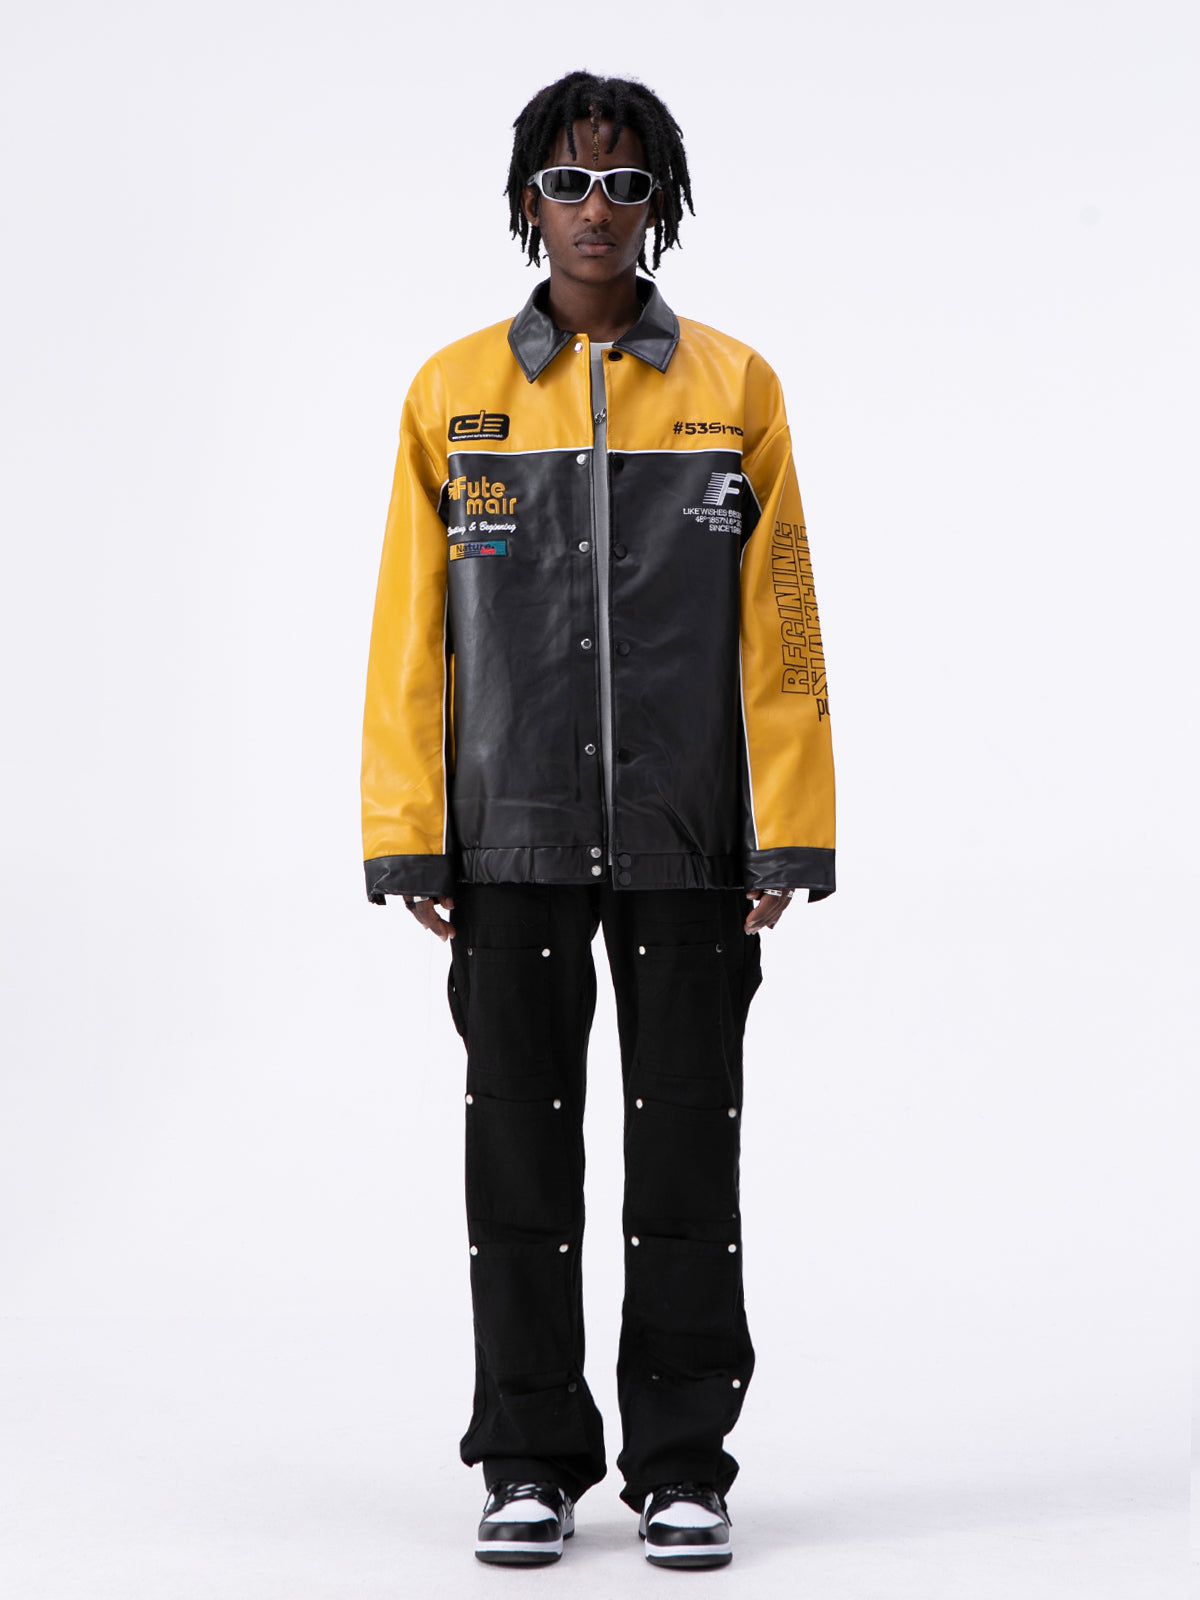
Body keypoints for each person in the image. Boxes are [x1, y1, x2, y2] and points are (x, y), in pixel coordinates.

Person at [360, 69, 836, 1570]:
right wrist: (408, 830)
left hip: (690, 841)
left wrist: (789, 827)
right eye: (569, 183)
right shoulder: (450, 393)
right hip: (507, 838)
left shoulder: (736, 389)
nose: (595, 211)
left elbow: (784, 621)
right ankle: (527, 1458)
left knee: (686, 1152)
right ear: (528, 202)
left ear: (660, 207)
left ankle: (683, 1464)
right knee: (519, 1161)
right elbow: (409, 629)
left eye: (626, 186)